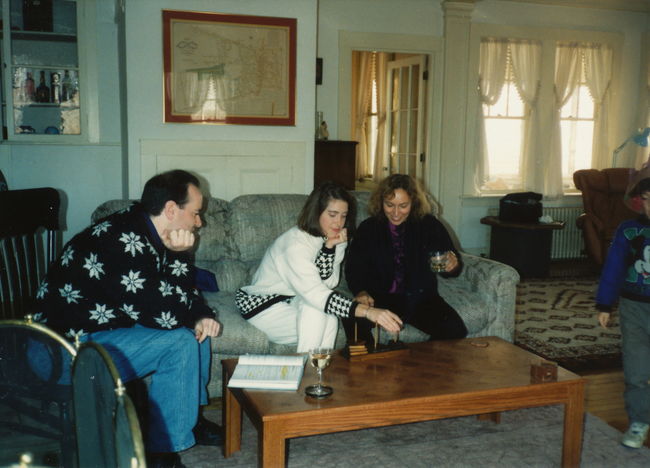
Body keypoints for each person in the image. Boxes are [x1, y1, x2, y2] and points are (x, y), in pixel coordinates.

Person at [32, 170, 222, 468]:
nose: (200, 222)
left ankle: (190, 417)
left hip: (95, 334)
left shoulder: (145, 228)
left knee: (196, 329)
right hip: (61, 353)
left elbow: (175, 296)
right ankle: (161, 454)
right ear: (171, 210)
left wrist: (199, 314)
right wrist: (181, 256)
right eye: (196, 213)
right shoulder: (121, 242)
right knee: (180, 342)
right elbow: (167, 315)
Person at [235, 181, 402, 352]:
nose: (339, 223)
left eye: (344, 216)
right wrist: (367, 312)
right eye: (332, 214)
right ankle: (308, 372)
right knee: (316, 312)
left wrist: (329, 248)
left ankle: (319, 372)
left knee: (330, 318)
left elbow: (328, 284)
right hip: (265, 306)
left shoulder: (334, 238)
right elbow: (317, 295)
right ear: (316, 213)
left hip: (294, 300)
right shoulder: (294, 245)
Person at [343, 173, 467, 345]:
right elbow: (353, 268)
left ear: (413, 203)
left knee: (455, 329)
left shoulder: (429, 225)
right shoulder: (368, 228)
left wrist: (451, 265)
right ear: (381, 202)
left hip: (420, 299)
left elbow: (449, 265)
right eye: (389, 205)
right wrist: (361, 292)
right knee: (353, 322)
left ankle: (418, 366)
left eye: (403, 206)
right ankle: (370, 367)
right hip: (379, 299)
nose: (395, 213)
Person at [596, 166, 650, 449]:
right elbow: (614, 268)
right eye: (649, 199)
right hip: (634, 309)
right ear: (641, 201)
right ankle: (639, 421)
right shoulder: (629, 231)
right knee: (636, 369)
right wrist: (605, 303)